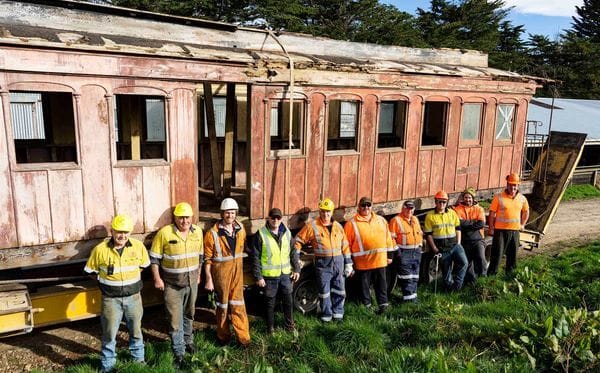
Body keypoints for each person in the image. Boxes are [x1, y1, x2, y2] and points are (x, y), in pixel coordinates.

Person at [84, 214, 150, 373]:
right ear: (112, 231)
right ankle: (108, 366)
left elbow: (143, 265)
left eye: (126, 232)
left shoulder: (138, 247)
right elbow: (91, 271)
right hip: (111, 300)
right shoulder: (100, 250)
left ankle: (139, 361)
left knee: (136, 331)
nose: (122, 236)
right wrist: (106, 285)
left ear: (130, 232)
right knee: (109, 334)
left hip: (134, 298)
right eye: (119, 232)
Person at [149, 202, 204, 368]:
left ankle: (189, 342)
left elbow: (201, 256)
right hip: (172, 284)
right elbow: (154, 259)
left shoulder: (198, 232)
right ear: (175, 218)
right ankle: (178, 352)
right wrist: (157, 279)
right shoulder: (165, 233)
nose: (184, 220)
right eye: (181, 217)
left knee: (189, 314)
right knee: (175, 319)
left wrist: (199, 275)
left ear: (191, 218)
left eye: (187, 217)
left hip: (192, 282)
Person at [295, 198, 352, 322]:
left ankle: (338, 316)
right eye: (323, 211)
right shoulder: (312, 226)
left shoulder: (338, 226)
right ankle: (326, 316)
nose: (325, 214)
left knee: (340, 290)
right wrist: (296, 259)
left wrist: (349, 264)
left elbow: (345, 246)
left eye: (328, 212)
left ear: (332, 212)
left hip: (338, 263)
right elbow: (297, 241)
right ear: (319, 211)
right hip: (323, 265)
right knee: (324, 292)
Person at [204, 198, 250, 346]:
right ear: (222, 214)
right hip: (221, 275)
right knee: (222, 307)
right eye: (227, 213)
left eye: (232, 212)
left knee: (238, 304)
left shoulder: (241, 229)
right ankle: (223, 337)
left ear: (236, 213)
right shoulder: (212, 234)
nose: (230, 215)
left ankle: (243, 340)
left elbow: (243, 248)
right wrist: (209, 279)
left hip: (237, 273)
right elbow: (207, 259)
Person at [251, 207, 301, 333]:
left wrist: (297, 269)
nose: (275, 220)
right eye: (273, 217)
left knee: (288, 302)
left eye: (278, 218)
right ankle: (270, 329)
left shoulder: (287, 232)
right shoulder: (261, 234)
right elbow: (255, 257)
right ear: (268, 218)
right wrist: (258, 276)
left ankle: (290, 327)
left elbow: (293, 252)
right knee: (270, 304)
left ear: (281, 219)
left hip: (285, 274)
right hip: (269, 277)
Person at [344, 197, 394, 314]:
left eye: (368, 205)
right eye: (363, 205)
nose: (366, 207)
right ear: (358, 207)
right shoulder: (351, 224)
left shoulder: (381, 220)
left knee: (381, 284)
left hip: (380, 260)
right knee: (364, 287)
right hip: (363, 263)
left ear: (372, 206)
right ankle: (367, 308)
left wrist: (390, 255)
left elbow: (388, 239)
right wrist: (349, 262)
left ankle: (383, 305)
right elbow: (346, 244)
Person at [424, 191, 468, 291]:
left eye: (444, 202)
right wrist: (434, 248)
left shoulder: (452, 213)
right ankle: (450, 290)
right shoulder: (430, 216)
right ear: (436, 202)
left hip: (455, 246)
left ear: (447, 202)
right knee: (446, 272)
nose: (442, 204)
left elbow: (458, 228)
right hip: (442, 248)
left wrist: (459, 243)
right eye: (440, 202)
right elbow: (428, 235)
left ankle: (457, 286)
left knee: (464, 263)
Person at [488, 173, 530, 275]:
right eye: (511, 184)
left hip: (515, 231)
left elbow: (526, 211)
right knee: (497, 255)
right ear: (507, 184)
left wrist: (523, 224)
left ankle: (510, 275)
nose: (513, 187)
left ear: (518, 186)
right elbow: (492, 213)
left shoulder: (522, 198)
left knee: (513, 256)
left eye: (515, 185)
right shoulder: (498, 197)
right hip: (500, 232)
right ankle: (491, 277)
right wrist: (491, 227)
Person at [388, 200, 423, 302]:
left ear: (414, 209)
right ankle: (409, 301)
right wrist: (397, 251)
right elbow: (391, 238)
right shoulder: (396, 220)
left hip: (416, 251)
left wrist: (420, 246)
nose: (409, 210)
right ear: (403, 208)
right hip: (404, 252)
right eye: (407, 208)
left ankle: (413, 297)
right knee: (406, 277)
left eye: (411, 208)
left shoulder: (415, 219)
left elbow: (419, 233)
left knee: (415, 275)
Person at [453, 188, 487, 282]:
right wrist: (473, 223)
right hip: (465, 240)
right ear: (463, 198)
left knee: (481, 258)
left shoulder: (479, 209)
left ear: (473, 198)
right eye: (466, 197)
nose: (468, 199)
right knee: (466, 262)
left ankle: (483, 279)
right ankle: (471, 282)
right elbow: (458, 223)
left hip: (478, 240)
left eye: (469, 197)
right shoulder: (457, 209)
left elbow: (481, 224)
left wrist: (465, 224)